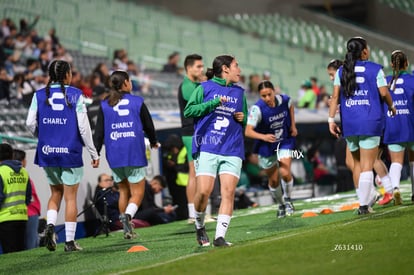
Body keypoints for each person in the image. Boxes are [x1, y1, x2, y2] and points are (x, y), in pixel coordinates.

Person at [26, 59, 100, 252]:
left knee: (55, 193)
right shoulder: (76, 95)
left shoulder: (39, 95)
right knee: (70, 198)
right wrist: (93, 152)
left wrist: (42, 136)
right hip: (70, 152)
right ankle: (69, 242)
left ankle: (50, 226)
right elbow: (84, 128)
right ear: (67, 74)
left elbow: (29, 123)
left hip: (47, 152)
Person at [184, 54, 247, 247]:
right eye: (237, 66)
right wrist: (212, 103)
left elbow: (244, 121)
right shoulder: (204, 87)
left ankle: (220, 237)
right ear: (226, 68)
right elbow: (188, 111)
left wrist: (242, 117)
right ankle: (200, 225)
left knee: (228, 192)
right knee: (203, 192)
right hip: (208, 146)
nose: (240, 70)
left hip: (232, 147)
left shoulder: (239, 93)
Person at [328, 37, 396, 215]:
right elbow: (383, 92)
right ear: (364, 51)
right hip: (370, 122)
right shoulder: (375, 69)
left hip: (349, 123)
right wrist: (391, 106)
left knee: (356, 164)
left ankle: (364, 200)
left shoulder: (341, 71)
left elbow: (334, 98)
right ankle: (364, 205)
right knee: (367, 165)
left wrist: (330, 121)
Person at [93, 70, 160, 239]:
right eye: (129, 81)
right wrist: (153, 141)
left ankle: (126, 228)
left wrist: (96, 154)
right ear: (125, 83)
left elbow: (99, 132)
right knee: (137, 193)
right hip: (133, 151)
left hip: (114, 153)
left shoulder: (105, 104)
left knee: (123, 191)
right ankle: (128, 216)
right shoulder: (137, 101)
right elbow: (149, 125)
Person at [245, 80, 297, 218]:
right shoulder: (256, 109)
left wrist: (293, 125)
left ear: (274, 91)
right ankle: (280, 204)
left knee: (285, 172)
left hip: (284, 141)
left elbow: (291, 106)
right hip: (266, 146)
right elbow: (248, 131)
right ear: (259, 96)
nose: (267, 98)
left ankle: (288, 200)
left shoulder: (284, 99)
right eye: (263, 96)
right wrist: (263, 137)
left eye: (269, 94)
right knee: (273, 180)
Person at [382, 50, 414, 205]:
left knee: (396, 162)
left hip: (393, 125)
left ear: (391, 64)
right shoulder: (413, 80)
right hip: (411, 124)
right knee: (413, 160)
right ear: (406, 63)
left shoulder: (385, 82)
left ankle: (395, 188)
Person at [177, 54, 204, 223]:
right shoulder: (187, 86)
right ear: (189, 68)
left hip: (195, 132)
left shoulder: (194, 84)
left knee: (198, 172)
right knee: (194, 172)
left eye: (202, 66)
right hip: (191, 133)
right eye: (198, 67)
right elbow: (200, 105)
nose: (201, 69)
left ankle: (195, 213)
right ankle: (192, 213)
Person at [0, 143, 31, 254]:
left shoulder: (1, 172)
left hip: (5, 218)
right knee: (20, 253)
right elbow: (28, 197)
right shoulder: (23, 171)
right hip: (22, 216)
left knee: (10, 255)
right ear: (12, 155)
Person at [13, 149, 41, 250]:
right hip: (29, 213)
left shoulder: (20, 175)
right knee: (31, 246)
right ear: (22, 161)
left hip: (25, 213)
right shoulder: (23, 175)